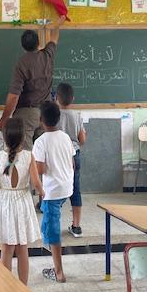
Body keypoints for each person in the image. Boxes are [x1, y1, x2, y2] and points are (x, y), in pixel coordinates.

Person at [0, 118, 44, 285]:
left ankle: (6, 289)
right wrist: (42, 193)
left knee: (6, 248)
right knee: (22, 248)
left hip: (5, 202)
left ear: (4, 138)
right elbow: (36, 182)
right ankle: (23, 289)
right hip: (22, 202)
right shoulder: (28, 156)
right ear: (22, 138)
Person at [0, 14, 66, 149]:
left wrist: (5, 117)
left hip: (26, 114)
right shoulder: (47, 55)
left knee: (25, 155)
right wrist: (58, 24)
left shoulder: (22, 63)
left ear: (23, 46)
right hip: (45, 113)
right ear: (38, 43)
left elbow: (14, 96)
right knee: (42, 153)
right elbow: (54, 39)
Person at [32, 101, 75, 283]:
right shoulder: (65, 137)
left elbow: (40, 169)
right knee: (49, 224)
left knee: (52, 231)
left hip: (53, 190)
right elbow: (72, 163)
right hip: (66, 187)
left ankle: (59, 273)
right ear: (58, 118)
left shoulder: (41, 142)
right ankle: (53, 257)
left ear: (41, 120)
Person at [55, 82, 86, 238]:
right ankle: (76, 226)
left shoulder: (54, 115)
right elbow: (82, 139)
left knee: (56, 187)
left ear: (56, 98)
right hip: (74, 154)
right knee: (76, 189)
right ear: (72, 98)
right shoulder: (77, 115)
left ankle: (54, 223)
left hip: (58, 156)